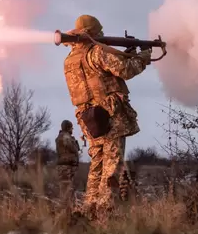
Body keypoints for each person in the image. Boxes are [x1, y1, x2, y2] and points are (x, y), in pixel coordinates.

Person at [62, 14, 151, 216]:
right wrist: (143, 56)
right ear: (93, 32)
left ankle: (89, 208)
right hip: (109, 113)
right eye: (99, 32)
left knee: (98, 163)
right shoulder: (97, 52)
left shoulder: (70, 60)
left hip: (88, 117)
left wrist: (126, 53)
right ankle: (105, 210)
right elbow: (126, 70)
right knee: (112, 163)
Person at [55, 120, 81, 207]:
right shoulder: (66, 137)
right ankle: (65, 211)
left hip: (66, 166)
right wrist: (75, 144)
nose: (72, 130)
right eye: (71, 128)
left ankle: (69, 209)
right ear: (68, 127)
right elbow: (72, 148)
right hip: (66, 167)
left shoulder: (63, 136)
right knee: (66, 190)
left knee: (68, 189)